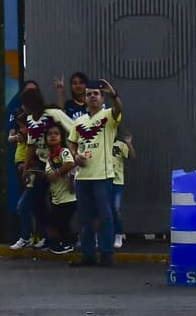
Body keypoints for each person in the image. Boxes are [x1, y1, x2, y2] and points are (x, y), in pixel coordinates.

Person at [69, 79, 122, 266]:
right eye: (89, 94)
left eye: (96, 94)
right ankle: (88, 255)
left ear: (101, 97)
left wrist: (113, 94)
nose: (92, 97)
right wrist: (75, 155)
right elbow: (72, 142)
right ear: (84, 98)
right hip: (82, 177)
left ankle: (106, 254)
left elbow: (119, 109)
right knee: (85, 218)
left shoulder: (108, 116)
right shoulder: (79, 121)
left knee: (105, 217)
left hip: (102, 176)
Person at [21, 84, 77, 254]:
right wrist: (26, 167)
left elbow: (74, 131)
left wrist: (73, 155)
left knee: (62, 205)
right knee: (36, 202)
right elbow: (31, 145)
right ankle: (53, 236)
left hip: (61, 163)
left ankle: (65, 238)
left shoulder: (53, 115)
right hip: (43, 166)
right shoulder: (30, 120)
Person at [8, 79, 42, 250]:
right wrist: (18, 136)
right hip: (20, 159)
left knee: (33, 202)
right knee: (27, 201)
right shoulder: (19, 113)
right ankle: (28, 236)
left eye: (33, 92)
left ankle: (37, 236)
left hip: (35, 162)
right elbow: (11, 135)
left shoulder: (41, 116)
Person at [43, 122, 77, 265]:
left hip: (68, 197)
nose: (52, 136)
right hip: (57, 197)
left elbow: (70, 164)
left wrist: (57, 173)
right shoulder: (49, 156)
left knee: (59, 221)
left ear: (61, 136)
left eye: (56, 134)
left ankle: (67, 244)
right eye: (50, 134)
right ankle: (64, 243)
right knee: (57, 221)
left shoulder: (63, 152)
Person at [111, 131, 135, 251]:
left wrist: (129, 144)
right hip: (103, 180)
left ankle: (118, 234)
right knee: (101, 209)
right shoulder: (101, 144)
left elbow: (132, 157)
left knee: (115, 208)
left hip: (117, 181)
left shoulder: (120, 145)